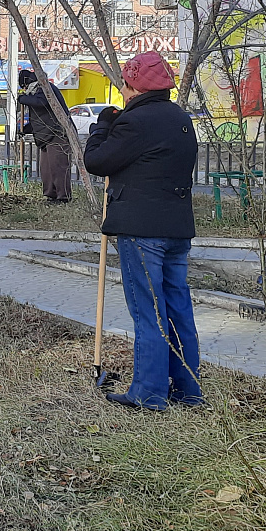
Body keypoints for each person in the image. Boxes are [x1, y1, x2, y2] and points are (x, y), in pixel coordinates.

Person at [84, 52, 202, 411]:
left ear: (134, 85)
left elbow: (97, 161)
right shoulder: (181, 118)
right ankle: (187, 389)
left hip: (142, 231)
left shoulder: (135, 122)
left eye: (124, 81)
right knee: (178, 308)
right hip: (177, 229)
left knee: (149, 310)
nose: (122, 88)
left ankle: (149, 394)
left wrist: (101, 126)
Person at [17, 70, 73, 202]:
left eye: (24, 87)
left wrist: (23, 99)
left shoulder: (46, 88)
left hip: (57, 133)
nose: (25, 90)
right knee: (46, 169)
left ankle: (63, 197)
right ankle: (50, 195)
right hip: (45, 137)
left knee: (58, 167)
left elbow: (41, 102)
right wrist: (26, 129)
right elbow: (41, 117)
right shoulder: (35, 92)